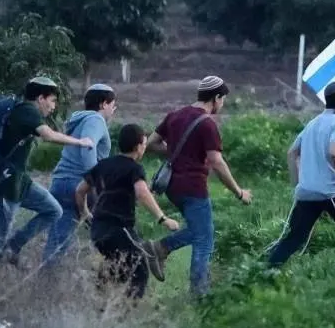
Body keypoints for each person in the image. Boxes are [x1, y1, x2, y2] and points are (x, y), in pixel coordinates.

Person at [0, 76, 95, 298]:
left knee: (54, 210)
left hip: (20, 182)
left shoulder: (23, 112)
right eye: (52, 100)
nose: (53, 106)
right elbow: (48, 135)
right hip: (7, 184)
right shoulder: (27, 111)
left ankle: (13, 247)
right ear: (40, 98)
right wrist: (80, 142)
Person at [146, 75, 253, 297]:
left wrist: (175, 151)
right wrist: (239, 192)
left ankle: (162, 248)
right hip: (193, 187)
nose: (222, 105)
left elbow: (151, 143)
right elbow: (217, 162)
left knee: (199, 232)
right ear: (216, 97)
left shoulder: (175, 116)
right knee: (204, 240)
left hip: (172, 186)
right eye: (223, 100)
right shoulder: (207, 124)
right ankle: (199, 294)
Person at [265, 81, 335, 267]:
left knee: (294, 238)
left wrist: (298, 183)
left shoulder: (313, 123)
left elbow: (292, 152)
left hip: (306, 192)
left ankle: (267, 269)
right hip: (332, 192)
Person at [74, 123, 180, 300]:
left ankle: (99, 301)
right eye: (144, 144)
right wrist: (163, 218)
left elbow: (79, 191)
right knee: (140, 269)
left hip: (97, 230)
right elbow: (142, 193)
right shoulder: (134, 168)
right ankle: (126, 310)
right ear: (138, 147)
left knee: (118, 266)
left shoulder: (103, 165)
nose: (145, 148)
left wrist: (85, 213)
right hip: (118, 229)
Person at [43, 83, 118, 265]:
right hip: (78, 184)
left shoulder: (81, 119)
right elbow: (87, 148)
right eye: (112, 105)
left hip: (61, 182)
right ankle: (119, 270)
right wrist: (94, 183)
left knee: (58, 239)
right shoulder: (95, 120)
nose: (113, 109)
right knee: (114, 228)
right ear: (103, 104)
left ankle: (48, 277)